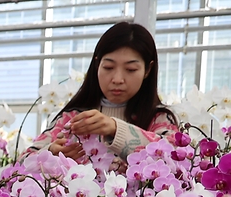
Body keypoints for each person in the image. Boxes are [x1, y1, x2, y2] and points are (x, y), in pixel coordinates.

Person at [28, 21, 179, 163]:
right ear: (97, 64)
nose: (118, 79)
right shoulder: (73, 118)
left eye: (131, 70)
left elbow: (176, 157)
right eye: (108, 67)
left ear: (148, 70)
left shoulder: (159, 118)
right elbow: (21, 164)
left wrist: (115, 128)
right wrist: (51, 153)